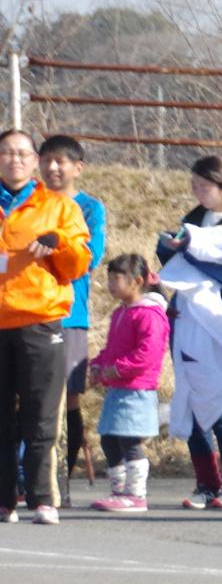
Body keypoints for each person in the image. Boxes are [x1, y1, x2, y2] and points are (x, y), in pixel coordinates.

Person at [0, 128, 96, 525]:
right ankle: (5, 499)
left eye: (22, 153)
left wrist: (59, 241)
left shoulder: (57, 207)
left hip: (40, 319)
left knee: (41, 414)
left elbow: (79, 264)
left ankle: (43, 497)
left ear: (35, 159)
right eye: (6, 152)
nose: (14, 159)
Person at [155, 155, 222, 508]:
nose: (198, 193)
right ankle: (207, 483)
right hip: (188, 318)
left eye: (204, 187)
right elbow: (177, 264)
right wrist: (169, 248)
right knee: (191, 398)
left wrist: (193, 254)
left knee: (219, 402)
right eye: (194, 186)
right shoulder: (192, 220)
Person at [34, 136, 105, 491]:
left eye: (61, 161)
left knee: (68, 396)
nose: (53, 167)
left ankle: (60, 477)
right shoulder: (28, 204)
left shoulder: (89, 208)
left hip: (69, 313)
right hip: (23, 313)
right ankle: (27, 477)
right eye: (46, 160)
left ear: (78, 167)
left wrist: (50, 250)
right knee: (26, 396)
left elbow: (87, 258)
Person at [85, 255, 170, 512]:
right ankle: (119, 490)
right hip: (118, 388)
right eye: (109, 279)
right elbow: (111, 349)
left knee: (130, 441)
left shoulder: (148, 314)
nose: (111, 284)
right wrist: (98, 366)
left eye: (116, 279)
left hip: (137, 389)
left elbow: (147, 354)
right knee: (110, 439)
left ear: (137, 281)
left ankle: (136, 494)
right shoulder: (121, 312)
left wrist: (116, 369)